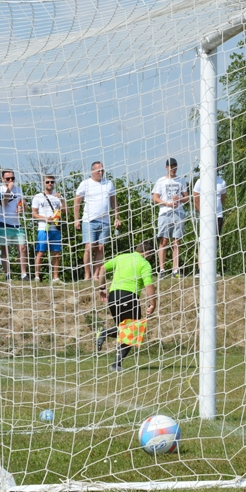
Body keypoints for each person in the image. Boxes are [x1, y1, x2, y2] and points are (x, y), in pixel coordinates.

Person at [95, 241, 157, 372]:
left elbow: (102, 269)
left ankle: (116, 364)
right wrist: (153, 303)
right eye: (151, 254)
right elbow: (149, 285)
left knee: (124, 330)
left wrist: (101, 288)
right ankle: (105, 335)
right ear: (148, 252)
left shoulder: (122, 257)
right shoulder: (144, 263)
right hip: (128, 297)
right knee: (132, 331)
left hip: (113, 297)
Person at [73, 161, 121, 281]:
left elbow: (113, 201)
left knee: (100, 248)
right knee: (89, 248)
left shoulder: (108, 183)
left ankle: (96, 275)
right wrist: (76, 219)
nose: (101, 172)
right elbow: (77, 202)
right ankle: (87, 275)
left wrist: (116, 217)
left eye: (102, 170)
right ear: (92, 171)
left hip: (105, 221)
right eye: (98, 170)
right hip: (89, 220)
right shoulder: (85, 184)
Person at [151, 158, 188, 278]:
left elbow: (186, 198)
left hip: (178, 213)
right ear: (167, 167)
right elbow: (155, 198)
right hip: (164, 213)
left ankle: (175, 270)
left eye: (175, 166)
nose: (173, 168)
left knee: (176, 241)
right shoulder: (160, 181)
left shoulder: (181, 180)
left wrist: (180, 200)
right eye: (171, 166)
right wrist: (167, 203)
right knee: (163, 241)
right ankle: (162, 270)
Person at [0, 169, 30, 281]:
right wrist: (9, 189)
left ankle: (24, 274)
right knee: (5, 249)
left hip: (17, 225)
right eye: (8, 179)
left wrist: (22, 208)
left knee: (23, 248)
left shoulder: (19, 189)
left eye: (12, 178)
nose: (11, 180)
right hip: (3, 223)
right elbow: (4, 203)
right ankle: (8, 274)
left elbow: (24, 205)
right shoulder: (0, 189)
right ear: (3, 179)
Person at [31, 175, 66, 283]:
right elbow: (33, 214)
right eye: (47, 182)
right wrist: (45, 218)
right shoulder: (38, 197)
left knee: (56, 253)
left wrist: (62, 200)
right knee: (40, 252)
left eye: (52, 182)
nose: (50, 184)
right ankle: (37, 276)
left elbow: (66, 211)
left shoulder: (57, 197)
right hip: (43, 228)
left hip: (55, 228)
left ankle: (56, 278)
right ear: (43, 183)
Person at [193, 168, 228, 277]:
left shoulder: (222, 182)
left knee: (214, 241)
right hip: (205, 217)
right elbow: (195, 198)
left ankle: (212, 268)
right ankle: (200, 269)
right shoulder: (200, 181)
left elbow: (222, 199)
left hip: (218, 215)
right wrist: (201, 212)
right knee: (202, 241)